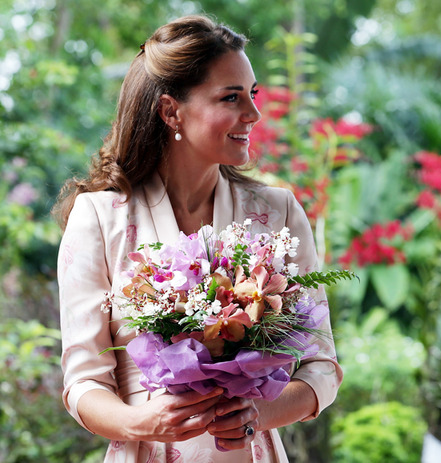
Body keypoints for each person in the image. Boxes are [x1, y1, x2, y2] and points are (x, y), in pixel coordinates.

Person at [54, 14, 342, 463]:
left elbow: (321, 366)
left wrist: (257, 414)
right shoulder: (99, 218)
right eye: (231, 97)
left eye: (253, 94)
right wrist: (144, 422)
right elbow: (83, 380)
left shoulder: (279, 213)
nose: (254, 113)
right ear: (172, 111)